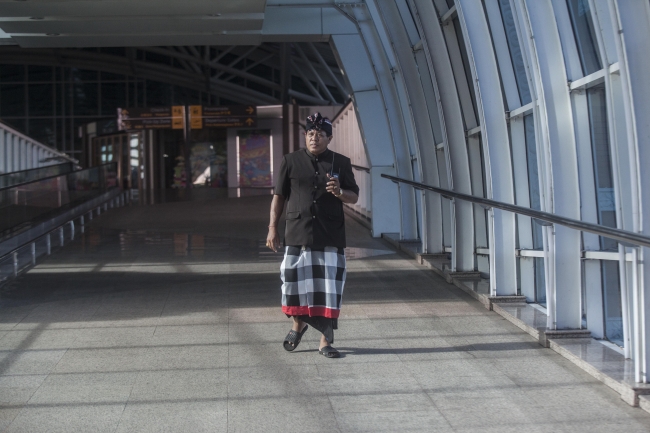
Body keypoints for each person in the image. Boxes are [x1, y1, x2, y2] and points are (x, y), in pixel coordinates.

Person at [266, 112, 359, 358]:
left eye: (319, 134)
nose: (314, 138)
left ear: (329, 138)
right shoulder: (290, 161)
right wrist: (272, 227)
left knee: (329, 288)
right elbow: (279, 197)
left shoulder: (341, 162)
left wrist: (340, 192)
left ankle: (325, 340)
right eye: (310, 133)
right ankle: (298, 324)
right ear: (305, 136)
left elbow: (354, 196)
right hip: (297, 233)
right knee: (292, 283)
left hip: (330, 234)